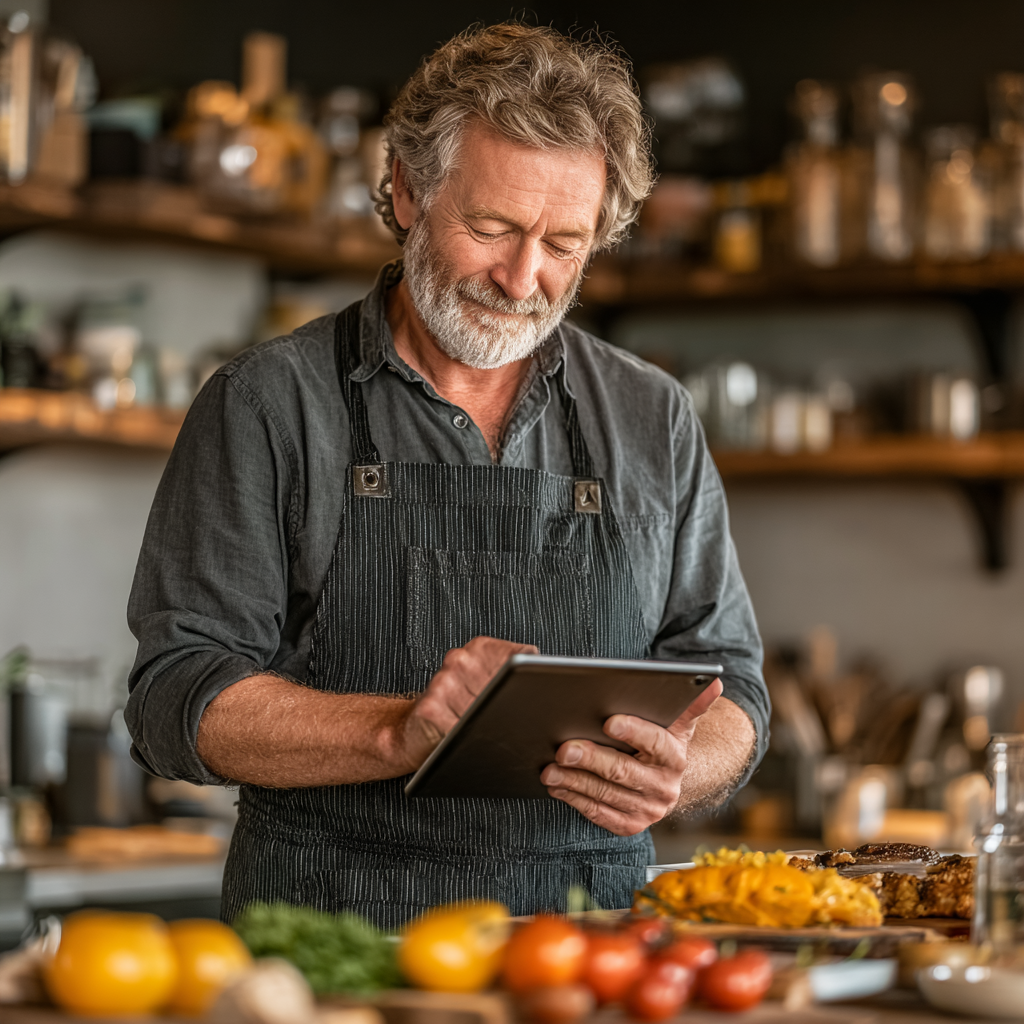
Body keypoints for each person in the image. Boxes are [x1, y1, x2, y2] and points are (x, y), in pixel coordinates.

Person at [126, 23, 769, 928]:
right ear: (403, 190)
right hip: (330, 946)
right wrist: (398, 732)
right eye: (492, 227)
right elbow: (175, 695)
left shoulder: (649, 415)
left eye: (565, 243)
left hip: (589, 953)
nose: (522, 278)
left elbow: (730, 685)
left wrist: (678, 770)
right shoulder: (267, 402)